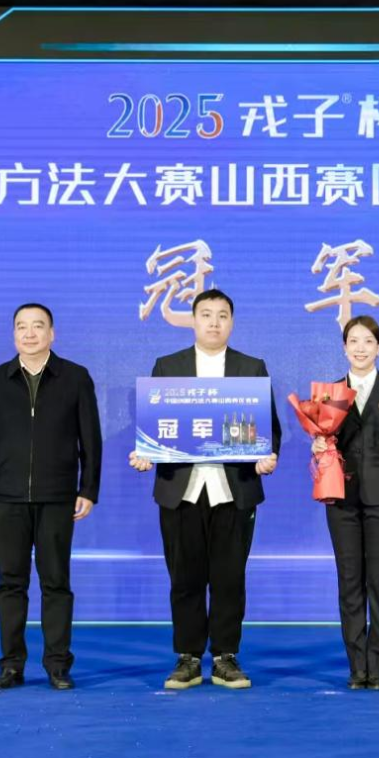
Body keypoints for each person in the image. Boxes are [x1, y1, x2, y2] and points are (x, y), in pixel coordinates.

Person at [129, 289, 281, 690]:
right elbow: (155, 426)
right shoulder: (168, 366)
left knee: (230, 578)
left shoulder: (251, 368)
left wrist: (266, 456)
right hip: (181, 489)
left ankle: (225, 656)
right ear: (193, 321)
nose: (214, 322)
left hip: (234, 489)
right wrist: (146, 454)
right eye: (206, 314)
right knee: (185, 578)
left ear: (232, 322)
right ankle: (188, 657)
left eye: (222, 315)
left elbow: (269, 428)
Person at [0, 303, 102, 691]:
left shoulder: (75, 377)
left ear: (52, 333)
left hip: (57, 497)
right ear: (14, 334)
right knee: (11, 583)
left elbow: (90, 440)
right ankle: (11, 666)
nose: (29, 333)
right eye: (21, 327)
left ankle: (58, 665)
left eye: (38, 326)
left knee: (56, 583)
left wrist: (88, 489)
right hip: (5, 499)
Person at [312, 315, 379, 690]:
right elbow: (324, 439)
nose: (360, 348)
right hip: (342, 498)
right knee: (349, 583)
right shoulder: (328, 394)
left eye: (368, 341)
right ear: (344, 348)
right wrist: (319, 445)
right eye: (353, 341)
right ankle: (358, 667)